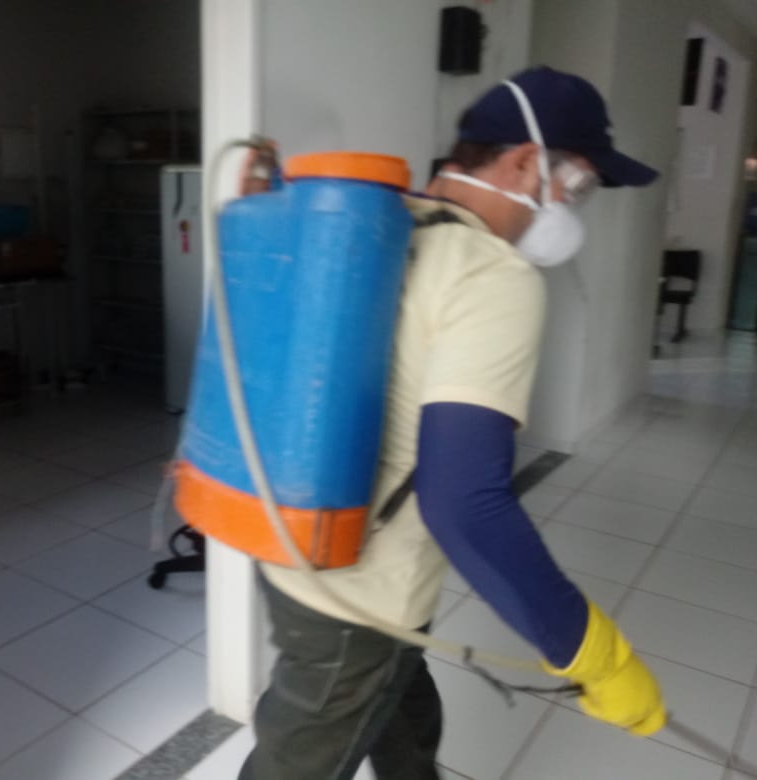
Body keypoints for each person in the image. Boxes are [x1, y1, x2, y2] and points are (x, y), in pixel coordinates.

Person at [239, 66, 666, 780]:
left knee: (405, 713)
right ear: (525, 162)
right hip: (361, 599)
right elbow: (465, 503)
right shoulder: (492, 276)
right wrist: (596, 654)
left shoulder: (371, 225)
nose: (573, 208)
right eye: (579, 186)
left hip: (285, 544)